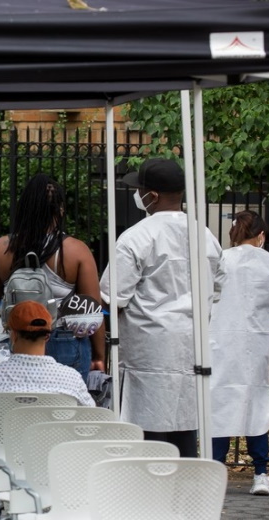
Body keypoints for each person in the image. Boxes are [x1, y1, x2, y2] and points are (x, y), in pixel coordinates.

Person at [99, 158, 223, 458]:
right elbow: (218, 286)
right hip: (192, 345)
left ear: (151, 195)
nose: (136, 194)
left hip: (148, 349)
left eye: (139, 189)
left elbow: (112, 296)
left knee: (147, 428)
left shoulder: (136, 237)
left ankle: (149, 496)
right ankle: (184, 496)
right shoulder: (204, 235)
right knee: (185, 425)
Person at [0, 299, 94, 507]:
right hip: (54, 468)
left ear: (12, 334)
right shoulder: (70, 378)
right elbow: (92, 419)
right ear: (47, 335)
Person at [210, 210, 269, 496]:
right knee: (255, 402)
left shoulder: (220, 260)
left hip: (219, 345)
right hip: (253, 348)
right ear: (261, 235)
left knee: (219, 404)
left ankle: (215, 472)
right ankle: (260, 473)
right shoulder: (266, 260)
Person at [0, 174, 105, 382]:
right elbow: (92, 309)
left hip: (17, 339)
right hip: (66, 341)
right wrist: (99, 355)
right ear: (61, 209)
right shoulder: (76, 251)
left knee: (21, 407)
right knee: (65, 408)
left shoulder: (2, 249)